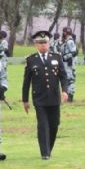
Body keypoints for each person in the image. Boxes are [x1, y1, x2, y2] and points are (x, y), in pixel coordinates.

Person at [22, 31, 69, 160]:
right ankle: (45, 153)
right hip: (39, 99)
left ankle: (49, 148)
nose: (43, 46)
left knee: (54, 124)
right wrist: (25, 100)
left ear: (49, 43)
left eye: (45, 43)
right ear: (36, 44)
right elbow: (26, 82)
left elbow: (63, 76)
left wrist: (64, 90)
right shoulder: (31, 60)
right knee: (43, 125)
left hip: (54, 97)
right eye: (40, 43)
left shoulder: (57, 57)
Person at [60, 27, 77, 101]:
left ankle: (70, 96)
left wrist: (65, 57)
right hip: (65, 63)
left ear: (65, 33)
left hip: (68, 63)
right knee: (66, 79)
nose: (63, 33)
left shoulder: (70, 41)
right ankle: (67, 95)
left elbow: (74, 52)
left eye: (64, 32)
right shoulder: (65, 41)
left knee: (70, 80)